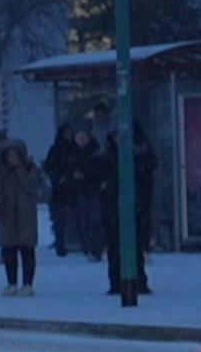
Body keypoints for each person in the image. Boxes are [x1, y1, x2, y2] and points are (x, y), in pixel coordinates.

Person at [103, 124, 157, 296]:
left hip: (134, 205)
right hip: (116, 205)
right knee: (117, 245)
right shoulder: (110, 154)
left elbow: (149, 169)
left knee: (134, 245)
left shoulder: (140, 152)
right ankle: (118, 281)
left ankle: (136, 280)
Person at [0, 140, 43, 295]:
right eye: (9, 155)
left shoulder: (30, 169)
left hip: (26, 215)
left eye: (15, 155)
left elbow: (32, 186)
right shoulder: (0, 172)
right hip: (7, 215)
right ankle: (11, 283)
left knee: (27, 250)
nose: (12, 158)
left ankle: (28, 283)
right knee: (9, 250)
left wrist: (20, 170)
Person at [67, 127, 107, 261]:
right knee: (85, 222)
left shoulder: (96, 153)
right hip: (81, 191)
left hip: (94, 191)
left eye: (83, 138)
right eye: (78, 139)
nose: (81, 141)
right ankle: (89, 247)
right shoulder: (74, 154)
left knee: (95, 221)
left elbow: (100, 170)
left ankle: (96, 248)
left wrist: (85, 176)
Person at [42, 124, 79, 256]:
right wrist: (58, 178)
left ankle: (78, 242)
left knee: (78, 217)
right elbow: (48, 166)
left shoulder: (76, 148)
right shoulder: (56, 149)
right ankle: (60, 244)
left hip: (75, 188)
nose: (69, 135)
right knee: (60, 219)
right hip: (60, 190)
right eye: (67, 132)